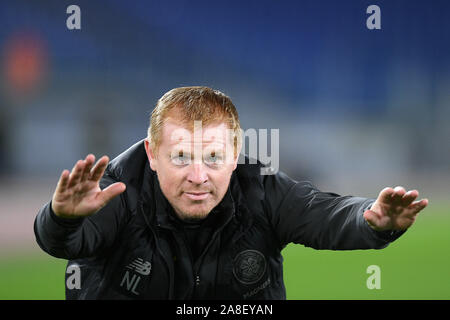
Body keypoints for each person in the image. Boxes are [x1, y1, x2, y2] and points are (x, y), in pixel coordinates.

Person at [34, 86, 428, 300]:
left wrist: (372, 221)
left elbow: (323, 212)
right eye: (182, 156)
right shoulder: (116, 190)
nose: (198, 175)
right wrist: (62, 216)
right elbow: (63, 241)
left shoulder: (261, 188)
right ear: (152, 154)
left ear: (235, 155)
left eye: (214, 157)